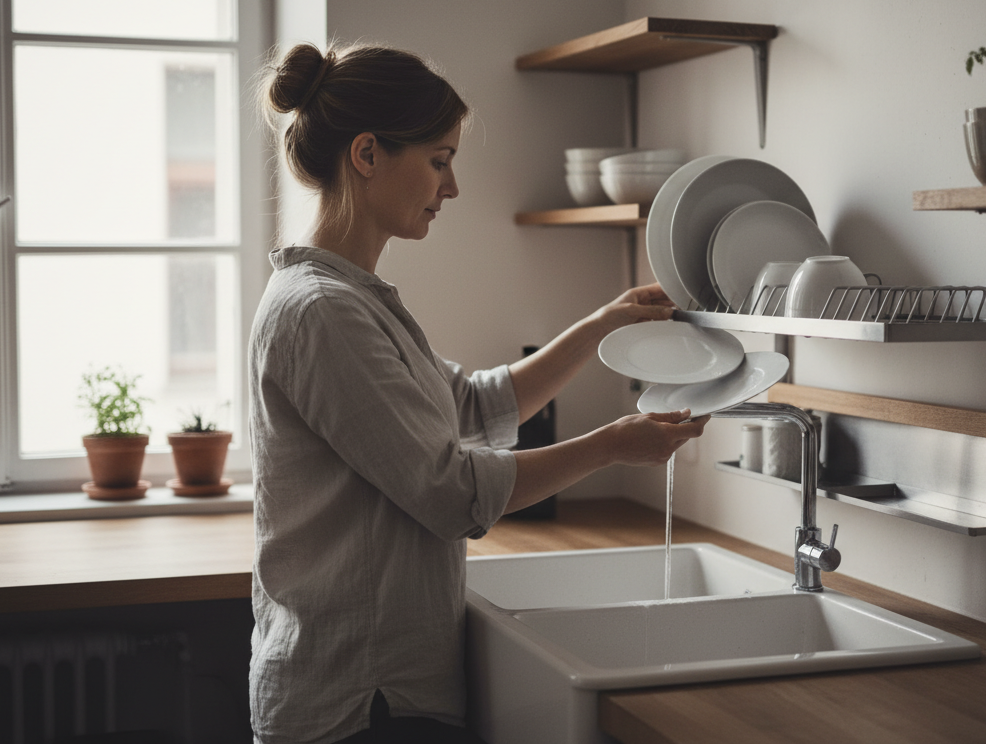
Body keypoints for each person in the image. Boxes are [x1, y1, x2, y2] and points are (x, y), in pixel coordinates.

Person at [249, 41, 709, 744]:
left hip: (375, 690)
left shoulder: (352, 299)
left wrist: (597, 327)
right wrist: (609, 446)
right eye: (439, 160)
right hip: (360, 699)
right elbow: (447, 492)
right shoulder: (324, 311)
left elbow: (470, 407)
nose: (452, 186)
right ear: (367, 155)